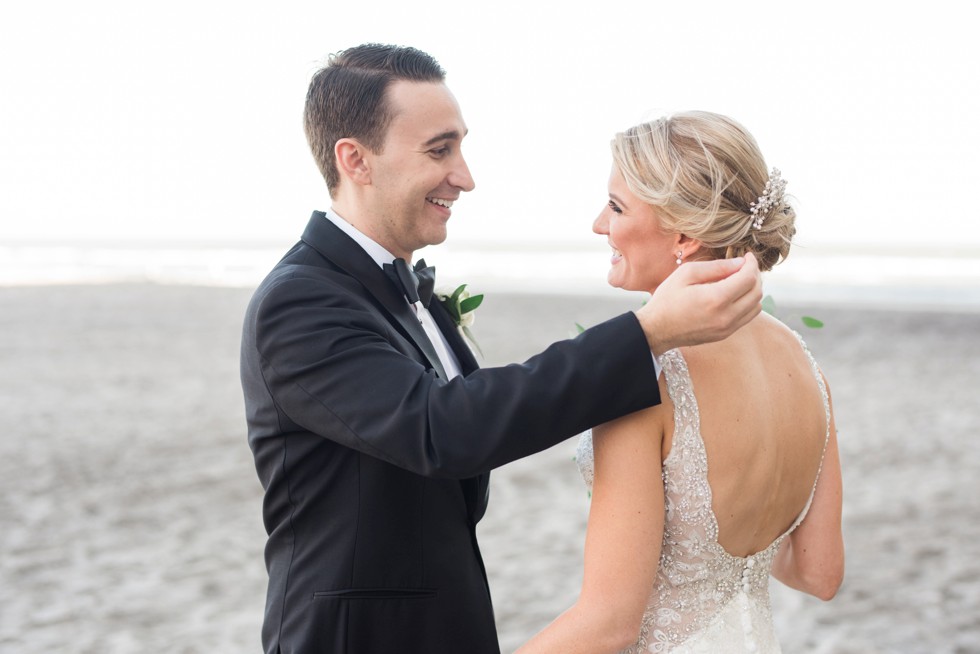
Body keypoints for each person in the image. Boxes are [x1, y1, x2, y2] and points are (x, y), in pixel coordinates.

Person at [240, 45, 763, 654]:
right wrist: (644, 334)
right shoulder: (301, 302)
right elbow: (444, 429)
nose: (465, 175)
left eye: (460, 146)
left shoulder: (405, 293)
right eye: (440, 150)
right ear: (355, 160)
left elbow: (469, 421)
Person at [516, 111, 845, 654]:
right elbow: (819, 573)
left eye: (617, 206)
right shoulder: (807, 368)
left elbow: (607, 624)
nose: (599, 224)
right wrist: (729, 566)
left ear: (685, 236)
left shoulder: (647, 382)